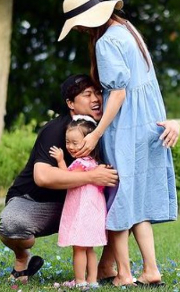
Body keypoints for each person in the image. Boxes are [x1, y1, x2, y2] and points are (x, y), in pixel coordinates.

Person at [0, 74, 180, 284]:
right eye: (87, 94)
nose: (96, 99)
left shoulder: (107, 127)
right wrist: (91, 176)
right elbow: (42, 176)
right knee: (12, 224)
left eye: (98, 93)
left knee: (123, 202)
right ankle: (22, 258)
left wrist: (172, 124)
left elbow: (141, 129)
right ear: (70, 103)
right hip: (38, 202)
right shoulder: (57, 129)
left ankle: (104, 267)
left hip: (84, 203)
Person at [58, 0, 178, 287]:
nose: (82, 29)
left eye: (80, 24)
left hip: (128, 124)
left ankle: (123, 272)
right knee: (136, 198)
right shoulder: (127, 28)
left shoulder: (106, 41)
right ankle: (149, 269)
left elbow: (119, 92)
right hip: (150, 118)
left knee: (121, 197)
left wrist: (97, 133)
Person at [49, 116, 107, 289]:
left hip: (82, 212)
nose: (70, 146)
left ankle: (80, 281)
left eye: (75, 143)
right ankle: (92, 281)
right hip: (93, 211)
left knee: (79, 248)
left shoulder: (80, 163)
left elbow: (66, 176)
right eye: (68, 142)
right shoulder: (94, 163)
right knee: (89, 248)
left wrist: (60, 160)